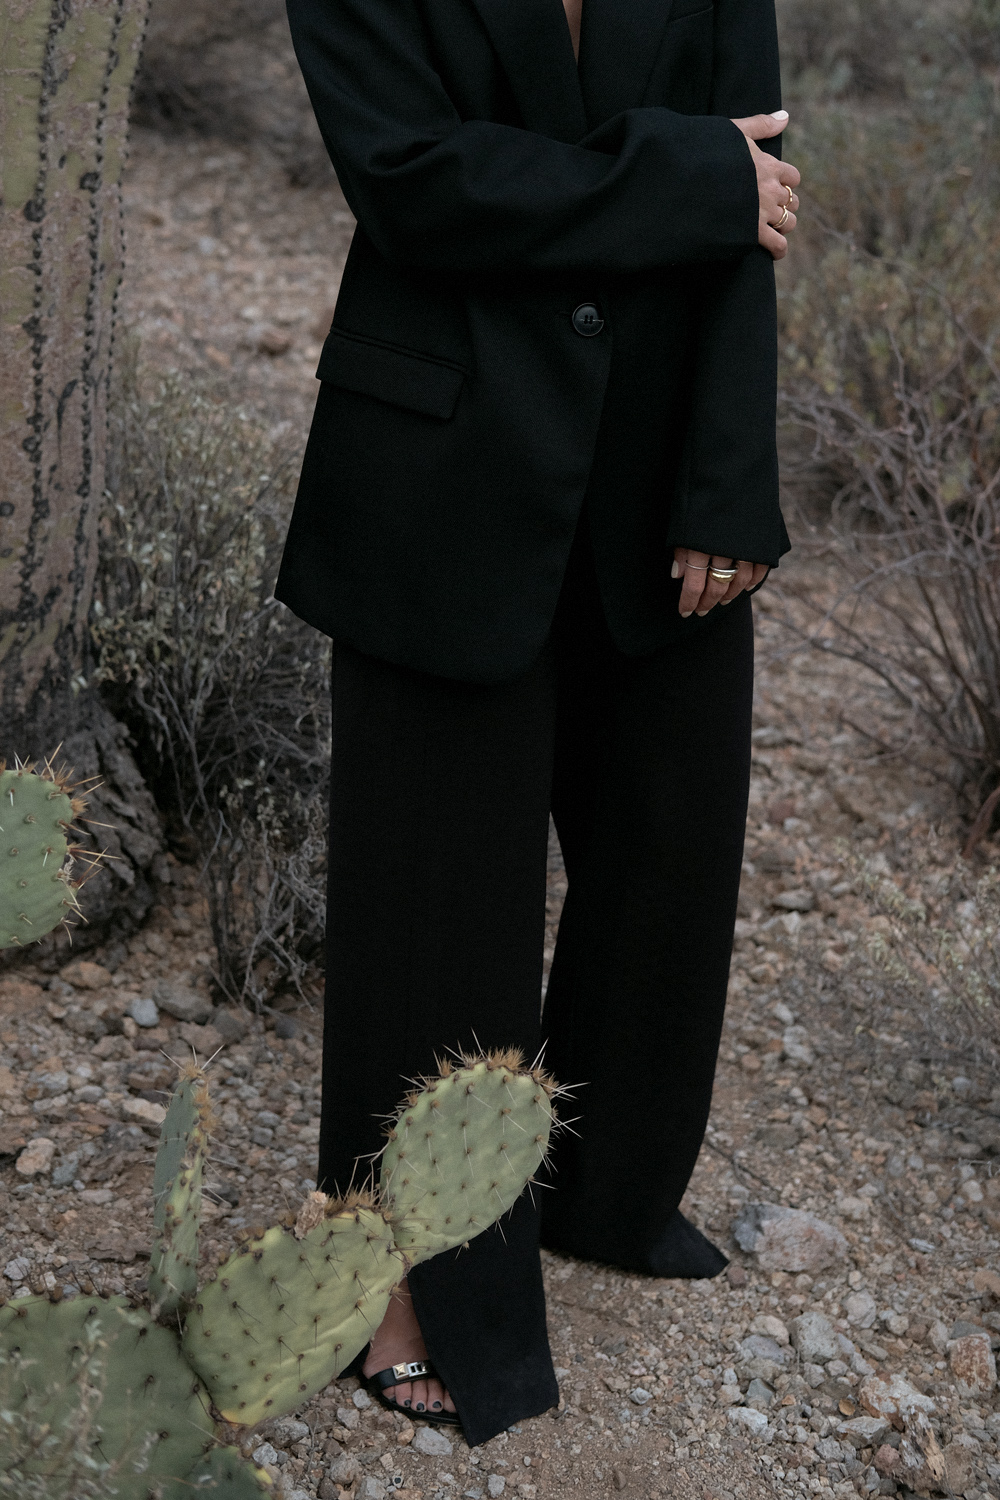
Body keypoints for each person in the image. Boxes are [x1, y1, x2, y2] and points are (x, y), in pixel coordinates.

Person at [275, 0, 800, 1447]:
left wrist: (728, 481)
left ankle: (606, 1192)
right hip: (437, 468)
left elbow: (755, 208)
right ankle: (414, 1283)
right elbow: (416, 185)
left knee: (670, 853)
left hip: (655, 472)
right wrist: (681, 179)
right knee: (436, 898)